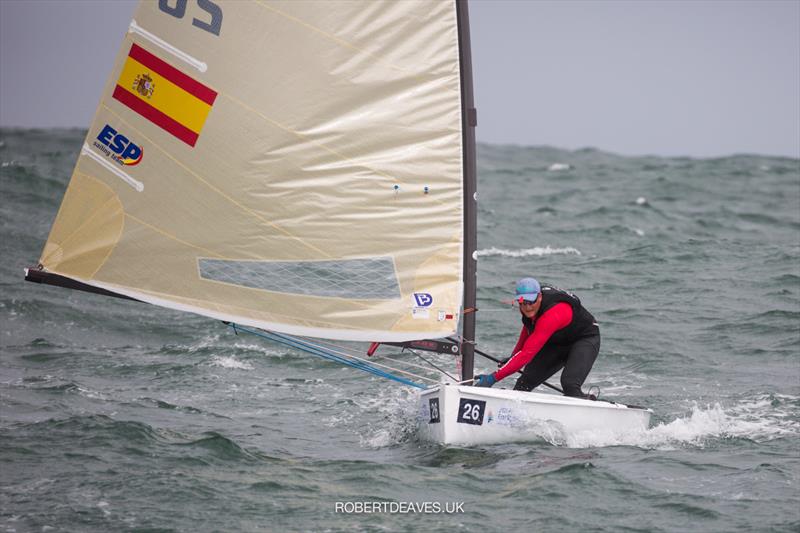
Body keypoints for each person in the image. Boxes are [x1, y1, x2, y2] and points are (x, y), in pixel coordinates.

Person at [473, 277, 600, 398]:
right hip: (556, 343)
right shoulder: (530, 310)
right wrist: (513, 357)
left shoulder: (553, 313)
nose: (527, 307)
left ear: (539, 297)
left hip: (584, 339)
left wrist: (492, 378)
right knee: (524, 384)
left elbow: (527, 353)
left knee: (569, 384)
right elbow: (528, 330)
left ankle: (589, 406)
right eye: (522, 303)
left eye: (531, 302)